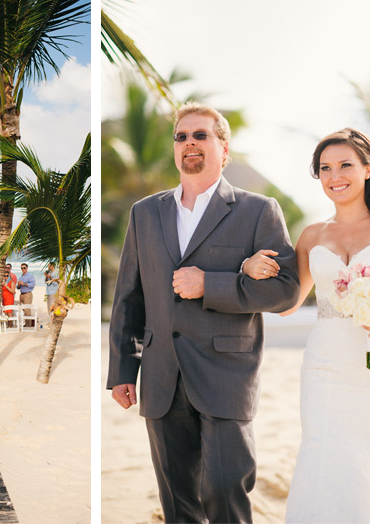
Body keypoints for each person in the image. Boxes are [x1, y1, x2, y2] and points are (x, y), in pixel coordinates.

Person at [107, 102, 300, 523]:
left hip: (227, 374)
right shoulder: (145, 212)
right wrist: (123, 368)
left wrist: (210, 284)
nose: (189, 143)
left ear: (224, 149)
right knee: (178, 502)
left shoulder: (258, 210)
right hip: (161, 376)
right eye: (181, 137)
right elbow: (129, 297)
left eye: (201, 135)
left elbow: (286, 291)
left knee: (226, 489)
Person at [245, 128, 370, 522]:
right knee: (328, 451)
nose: (334, 175)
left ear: (369, 169)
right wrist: (249, 270)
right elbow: (288, 306)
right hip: (327, 364)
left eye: (345, 165)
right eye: (324, 168)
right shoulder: (311, 236)